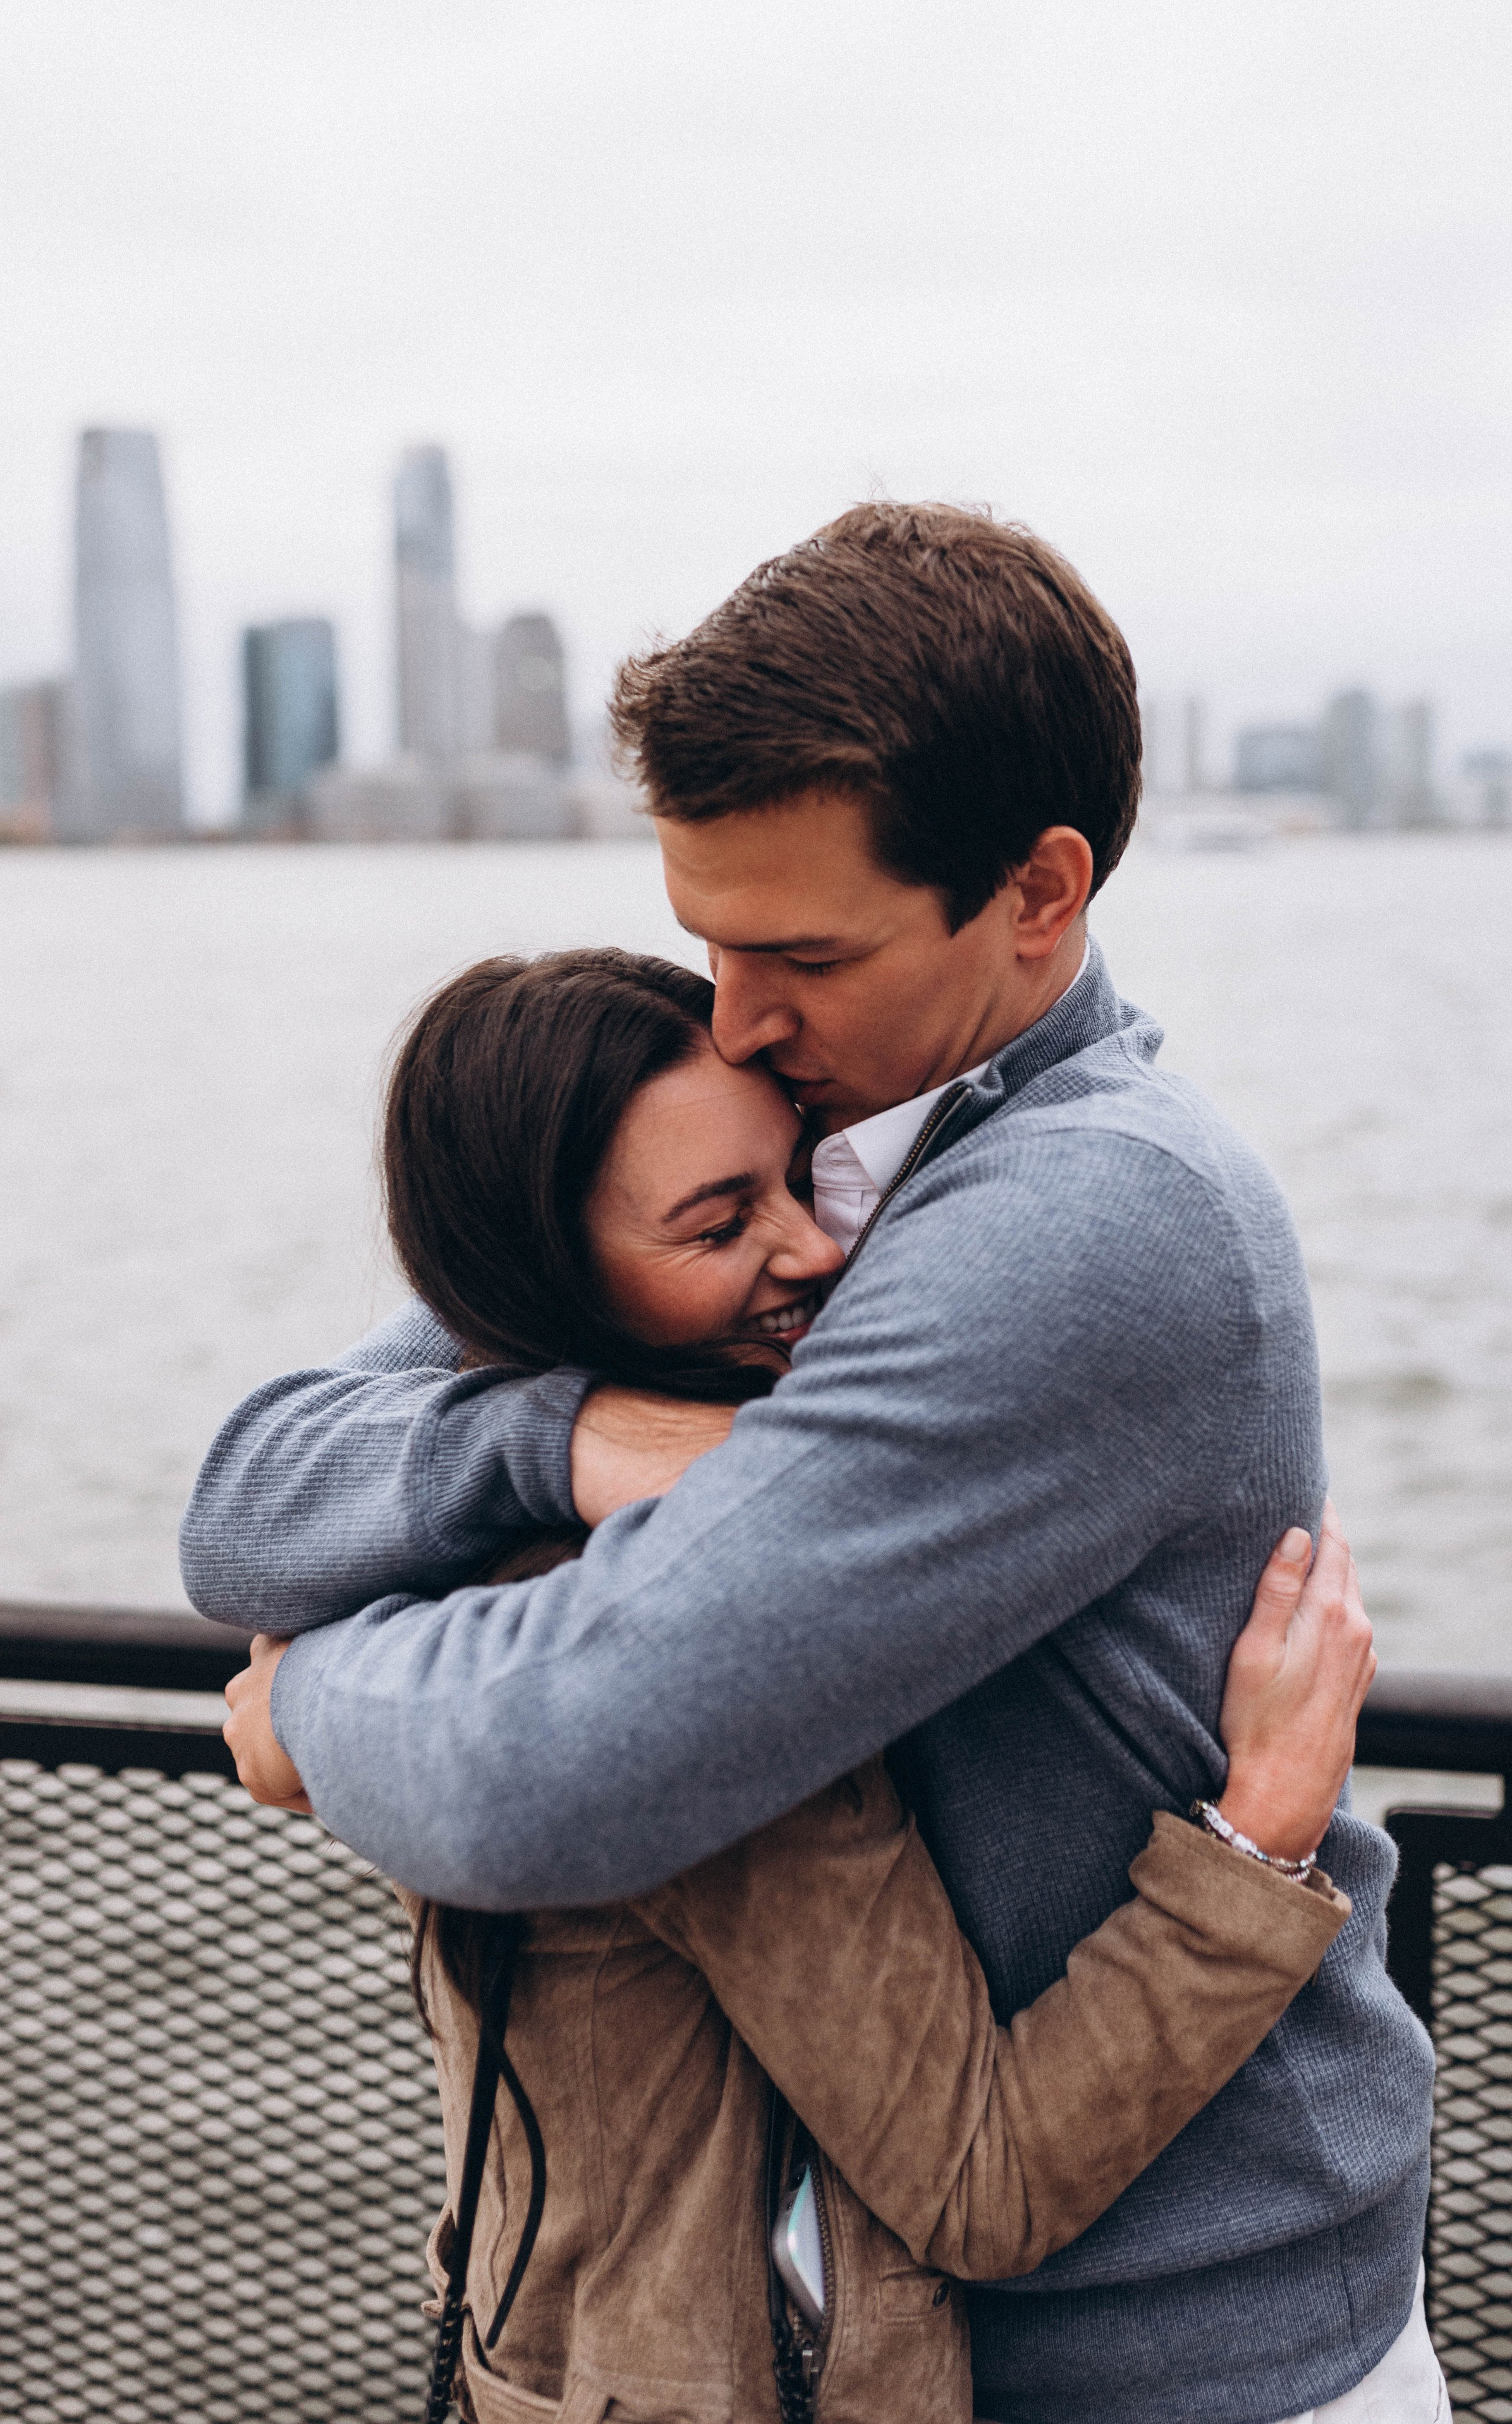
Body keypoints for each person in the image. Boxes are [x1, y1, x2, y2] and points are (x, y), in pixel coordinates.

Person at [188, 502, 1436, 2424]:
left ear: (1036, 892)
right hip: (877, 2337)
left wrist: (306, 1699)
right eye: (707, 941)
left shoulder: (1093, 1217)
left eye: (795, 951)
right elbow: (255, 1491)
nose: (735, 1012)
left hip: (1167, 2357)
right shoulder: (798, 1129)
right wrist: (565, 1425)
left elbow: (565, 1765)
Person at [336, 945, 1364, 2421]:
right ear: (551, 1281)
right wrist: (1258, 1840)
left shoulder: (445, 1538)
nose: (817, 1250)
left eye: (796, 1179)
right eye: (715, 1222)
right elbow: (984, 2180)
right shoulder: (671, 1654)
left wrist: (296, 1695)